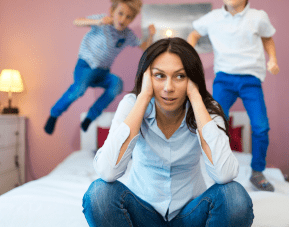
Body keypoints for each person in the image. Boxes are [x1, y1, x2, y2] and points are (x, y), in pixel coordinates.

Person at [82, 37, 254, 227]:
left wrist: (196, 98)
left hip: (190, 216)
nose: (168, 88)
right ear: (147, 77)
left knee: (235, 196)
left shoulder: (207, 110)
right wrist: (144, 96)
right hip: (142, 215)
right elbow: (107, 172)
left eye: (180, 76)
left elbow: (224, 175)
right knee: (98, 194)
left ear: (192, 79)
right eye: (159, 76)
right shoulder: (132, 104)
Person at [187, 0, 279, 192]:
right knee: (215, 125)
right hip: (224, 80)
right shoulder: (212, 18)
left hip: (250, 79)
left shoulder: (258, 17)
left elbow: (268, 38)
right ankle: (218, 169)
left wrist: (272, 58)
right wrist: (188, 56)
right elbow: (194, 33)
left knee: (261, 127)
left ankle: (257, 172)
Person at [44, 0, 156, 134]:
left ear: (132, 19)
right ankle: (54, 114)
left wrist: (151, 35)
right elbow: (77, 21)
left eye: (128, 17)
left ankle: (90, 117)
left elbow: (144, 46)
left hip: (103, 72)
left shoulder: (127, 35)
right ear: (112, 12)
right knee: (78, 90)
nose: (123, 19)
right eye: (120, 13)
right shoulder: (102, 21)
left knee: (117, 84)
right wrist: (98, 22)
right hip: (85, 66)